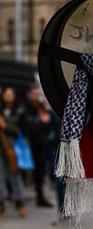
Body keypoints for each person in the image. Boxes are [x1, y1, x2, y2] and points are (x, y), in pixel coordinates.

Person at [20, 84, 53, 207]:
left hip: (40, 145)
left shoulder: (41, 108)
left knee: (39, 172)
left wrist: (46, 122)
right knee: (24, 171)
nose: (36, 96)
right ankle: (20, 199)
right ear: (28, 94)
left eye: (38, 94)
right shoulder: (23, 108)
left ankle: (40, 198)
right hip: (27, 146)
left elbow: (48, 128)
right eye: (34, 93)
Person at [0, 87, 26, 217]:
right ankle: (2, 201)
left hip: (13, 148)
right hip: (1, 148)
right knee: (0, 176)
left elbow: (21, 131)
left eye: (11, 94)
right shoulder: (0, 110)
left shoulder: (20, 112)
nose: (8, 96)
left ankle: (20, 201)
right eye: (6, 93)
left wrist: (5, 126)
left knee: (15, 175)